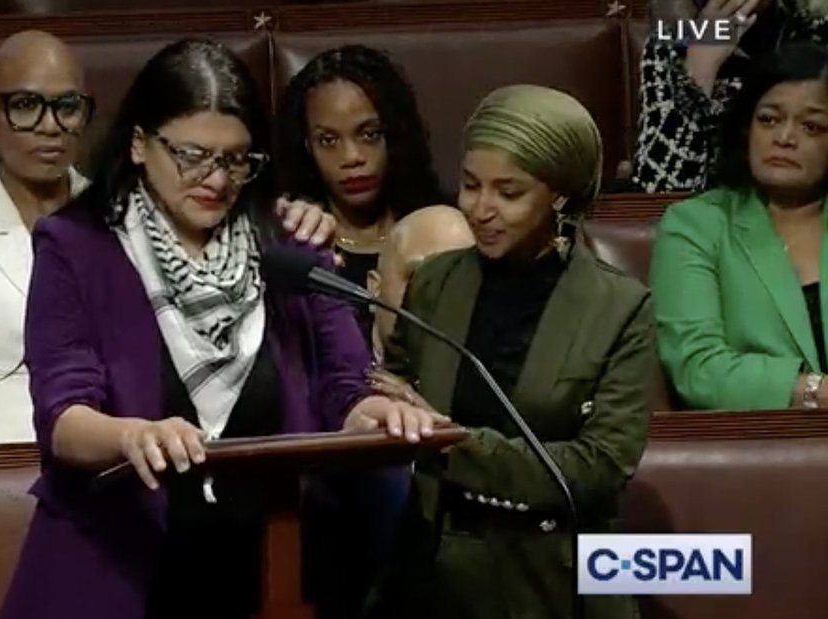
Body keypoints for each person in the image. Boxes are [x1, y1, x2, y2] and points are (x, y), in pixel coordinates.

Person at [0, 38, 439, 619]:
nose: (215, 179)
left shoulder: (288, 245)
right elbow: (63, 414)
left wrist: (371, 416)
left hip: (274, 570)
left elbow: (344, 385)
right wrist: (130, 435)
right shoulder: (76, 248)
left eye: (234, 159)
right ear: (138, 144)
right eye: (193, 155)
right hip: (120, 569)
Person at [0, 31, 337, 448]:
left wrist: (288, 219)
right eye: (27, 105)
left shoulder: (140, 224)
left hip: (125, 472)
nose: (50, 125)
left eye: (68, 107)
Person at [367, 85, 654, 619]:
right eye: (471, 185)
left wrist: (452, 442)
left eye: (509, 192)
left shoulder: (619, 308)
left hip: (555, 577)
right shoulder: (434, 283)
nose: (480, 209)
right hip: (434, 571)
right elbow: (393, 394)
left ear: (560, 195)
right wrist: (395, 416)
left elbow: (597, 467)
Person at [652, 42, 828, 410]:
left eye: (811, 126)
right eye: (768, 119)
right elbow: (698, 369)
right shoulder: (694, 226)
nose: (784, 138)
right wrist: (813, 392)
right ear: (746, 128)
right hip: (758, 451)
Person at [277, 45, 451, 339]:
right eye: (328, 140)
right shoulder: (294, 244)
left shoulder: (443, 232)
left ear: (394, 135)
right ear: (307, 146)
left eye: (369, 134)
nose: (352, 157)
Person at [633, 0, 828, 192]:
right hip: (712, 216)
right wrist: (699, 70)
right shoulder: (671, 41)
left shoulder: (816, 32)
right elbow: (661, 192)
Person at [367, 206, 474, 359]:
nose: (437, 297)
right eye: (421, 276)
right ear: (374, 288)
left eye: (455, 282)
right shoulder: (332, 362)